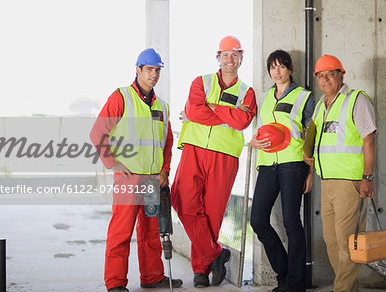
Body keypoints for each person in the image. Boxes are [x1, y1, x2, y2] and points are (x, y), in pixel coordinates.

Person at [90, 48, 183, 292]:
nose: (154, 74)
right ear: (138, 70)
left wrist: (164, 171)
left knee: (151, 231)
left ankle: (152, 277)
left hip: (153, 179)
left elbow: (168, 142)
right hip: (129, 178)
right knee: (121, 232)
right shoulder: (121, 97)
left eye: (157, 70)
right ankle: (116, 283)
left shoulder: (162, 106)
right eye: (149, 69)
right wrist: (113, 163)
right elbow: (98, 133)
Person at [171, 35, 257, 287]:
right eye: (225, 54)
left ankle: (201, 270)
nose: (230, 59)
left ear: (241, 58)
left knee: (212, 214)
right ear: (218, 58)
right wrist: (229, 114)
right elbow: (194, 111)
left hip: (225, 156)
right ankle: (216, 254)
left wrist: (213, 108)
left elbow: (242, 122)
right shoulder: (201, 82)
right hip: (194, 149)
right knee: (182, 200)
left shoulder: (247, 92)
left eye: (235, 54)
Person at [304, 54, 376, 292]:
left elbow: (369, 139)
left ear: (341, 74)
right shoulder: (319, 107)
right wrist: (309, 167)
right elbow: (313, 142)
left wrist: (367, 177)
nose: (325, 80)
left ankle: (342, 290)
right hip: (327, 182)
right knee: (332, 242)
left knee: (347, 244)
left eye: (330, 74)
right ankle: (349, 286)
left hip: (350, 182)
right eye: (320, 76)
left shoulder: (356, 100)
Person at [249, 50, 315, 292]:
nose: (276, 71)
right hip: (267, 165)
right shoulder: (265, 96)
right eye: (272, 67)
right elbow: (260, 131)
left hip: (293, 165)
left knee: (291, 222)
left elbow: (311, 136)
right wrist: (253, 142)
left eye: (281, 66)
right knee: (257, 220)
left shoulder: (304, 96)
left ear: (290, 68)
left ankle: (296, 284)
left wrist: (310, 171)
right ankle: (286, 274)